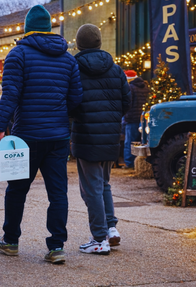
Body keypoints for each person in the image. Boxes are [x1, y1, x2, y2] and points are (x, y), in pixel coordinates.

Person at [0, 4, 82, 264]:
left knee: (17, 190)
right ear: (49, 28)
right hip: (57, 137)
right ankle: (56, 247)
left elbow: (10, 94)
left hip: (26, 136)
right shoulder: (68, 59)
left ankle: (10, 241)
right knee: (58, 193)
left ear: (27, 29)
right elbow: (76, 99)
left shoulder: (18, 54)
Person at [71, 24, 131, 255]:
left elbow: (71, 102)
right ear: (99, 43)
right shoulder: (116, 69)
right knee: (104, 184)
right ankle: (111, 228)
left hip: (86, 135)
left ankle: (98, 238)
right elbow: (127, 102)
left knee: (91, 189)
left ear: (79, 44)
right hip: (109, 136)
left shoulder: (74, 67)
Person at [122, 71, 150, 169]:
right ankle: (139, 163)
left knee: (129, 142)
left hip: (132, 118)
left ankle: (129, 163)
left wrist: (125, 116)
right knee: (141, 141)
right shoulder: (145, 87)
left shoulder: (130, 87)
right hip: (143, 118)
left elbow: (127, 103)